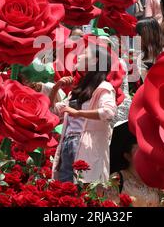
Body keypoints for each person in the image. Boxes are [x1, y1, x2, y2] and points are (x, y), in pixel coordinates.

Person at [50, 44, 118, 183]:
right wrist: (56, 87)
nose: (78, 57)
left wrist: (79, 113)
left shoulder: (104, 87)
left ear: (96, 61)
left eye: (84, 53)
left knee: (81, 188)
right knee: (64, 189)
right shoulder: (80, 89)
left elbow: (108, 112)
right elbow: (54, 110)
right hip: (68, 142)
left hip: (85, 144)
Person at [106, 121, 164, 207]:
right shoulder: (117, 178)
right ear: (127, 156)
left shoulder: (156, 179)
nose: (145, 154)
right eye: (140, 151)